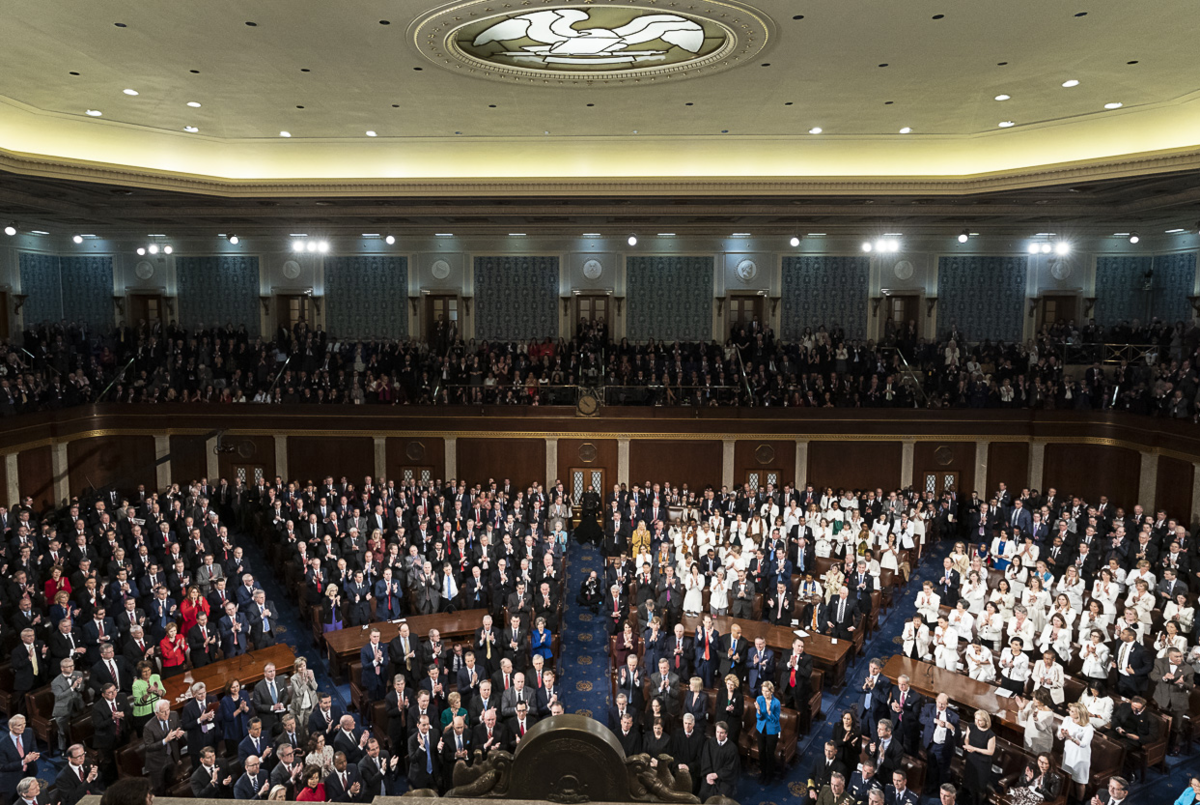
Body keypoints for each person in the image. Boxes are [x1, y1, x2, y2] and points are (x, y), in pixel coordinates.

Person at [1150, 647, 1194, 754]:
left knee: (1176, 727)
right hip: (1162, 699)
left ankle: (1173, 747)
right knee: (1162, 725)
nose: (1180, 658)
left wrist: (1182, 683)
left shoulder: (1188, 668)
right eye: (1176, 657)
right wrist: (1164, 677)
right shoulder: (1159, 662)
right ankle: (1160, 746)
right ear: (1169, 656)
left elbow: (1191, 686)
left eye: (1181, 656)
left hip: (1178, 702)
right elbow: (1153, 676)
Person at [144, 699, 185, 794]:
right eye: (163, 712)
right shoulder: (149, 727)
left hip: (172, 756)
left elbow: (178, 727)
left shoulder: (174, 715)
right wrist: (165, 740)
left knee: (172, 784)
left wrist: (178, 734)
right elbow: (149, 747)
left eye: (168, 710)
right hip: (157, 761)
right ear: (156, 713)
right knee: (159, 788)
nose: (167, 713)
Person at [1058, 702, 1094, 799]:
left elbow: (1083, 744)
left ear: (1079, 713)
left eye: (1072, 711)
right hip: (1068, 753)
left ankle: (1079, 801)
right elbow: (1059, 735)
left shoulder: (1088, 728)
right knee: (1067, 777)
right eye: (1070, 710)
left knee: (1079, 781)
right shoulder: (1067, 719)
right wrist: (1062, 735)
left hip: (1080, 757)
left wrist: (1070, 737)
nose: (1070, 712)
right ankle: (1067, 797)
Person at [961, 710, 995, 805]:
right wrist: (967, 745)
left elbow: (990, 751)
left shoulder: (990, 734)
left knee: (979, 788)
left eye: (980, 720)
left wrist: (974, 749)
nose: (977, 722)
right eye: (976, 719)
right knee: (969, 784)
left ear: (986, 721)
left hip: (982, 763)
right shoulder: (971, 726)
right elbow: (967, 738)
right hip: (971, 759)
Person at [699, 721, 740, 800]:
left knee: (720, 798)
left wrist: (717, 775)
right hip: (709, 774)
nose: (719, 735)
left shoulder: (732, 749)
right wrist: (708, 775)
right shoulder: (709, 743)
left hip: (724, 779)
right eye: (717, 732)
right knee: (703, 793)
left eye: (721, 733)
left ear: (726, 734)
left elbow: (731, 768)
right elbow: (705, 760)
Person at [755, 681, 782, 783]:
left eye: (766, 691)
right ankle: (763, 773)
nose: (764, 693)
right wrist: (758, 711)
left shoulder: (776, 703)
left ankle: (769, 775)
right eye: (763, 691)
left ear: (771, 691)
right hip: (761, 729)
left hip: (772, 731)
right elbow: (759, 718)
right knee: (761, 752)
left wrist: (769, 711)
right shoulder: (759, 699)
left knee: (770, 753)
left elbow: (775, 719)